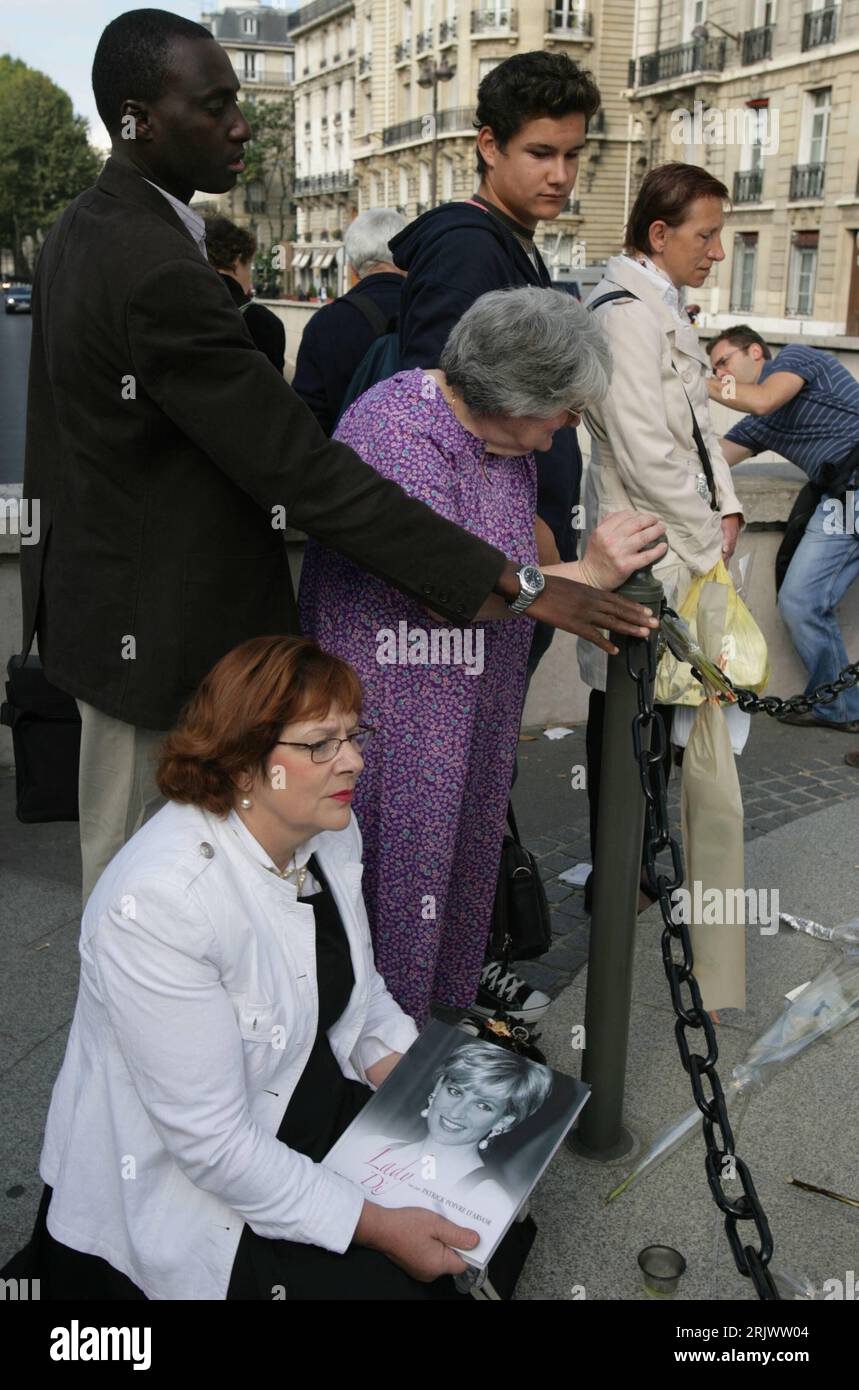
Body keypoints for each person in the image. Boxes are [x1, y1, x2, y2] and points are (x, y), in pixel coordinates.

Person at [19, 9, 658, 907]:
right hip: (160, 646)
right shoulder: (154, 263)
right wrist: (518, 584)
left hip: (108, 619)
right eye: (213, 106)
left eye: (239, 101)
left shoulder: (86, 226)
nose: (242, 126)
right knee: (153, 913)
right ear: (139, 117)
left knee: (156, 902)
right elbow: (301, 470)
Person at [4, 635, 486, 1301]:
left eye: (352, 735)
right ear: (241, 762)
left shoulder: (328, 829)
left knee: (481, 1216)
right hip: (194, 1178)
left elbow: (363, 1002)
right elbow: (214, 1147)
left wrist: (434, 1103)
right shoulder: (162, 903)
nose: (352, 761)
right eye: (320, 743)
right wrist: (375, 1225)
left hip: (295, 1100)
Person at [299, 286, 668, 1025]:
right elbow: (443, 587)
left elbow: (518, 547)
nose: (569, 424)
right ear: (514, 392)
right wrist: (584, 578)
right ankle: (380, 1061)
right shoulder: (399, 429)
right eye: (563, 406)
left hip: (467, 697)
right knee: (398, 881)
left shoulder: (501, 436)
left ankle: (433, 1025)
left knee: (458, 871)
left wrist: (573, 573)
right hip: (396, 705)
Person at [390, 50, 601, 696]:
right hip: (485, 580)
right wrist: (537, 558)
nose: (560, 175)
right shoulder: (468, 250)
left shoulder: (509, 245)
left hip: (507, 572)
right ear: (488, 145)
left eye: (572, 155)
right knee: (456, 772)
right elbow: (437, 420)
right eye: (540, 153)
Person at [577, 163, 745, 916]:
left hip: (673, 546)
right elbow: (648, 451)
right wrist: (708, 541)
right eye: (705, 235)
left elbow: (702, 434)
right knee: (629, 712)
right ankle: (620, 871)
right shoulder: (623, 313)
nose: (714, 251)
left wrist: (729, 506)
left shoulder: (660, 308)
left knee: (660, 716)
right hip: (646, 552)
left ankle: (640, 861)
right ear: (658, 234)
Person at [707, 325, 859, 735]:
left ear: (755, 351)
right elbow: (711, 460)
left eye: (723, 363)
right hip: (841, 500)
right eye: (712, 368)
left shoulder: (796, 358)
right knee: (800, 600)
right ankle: (841, 704)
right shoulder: (761, 426)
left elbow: (762, 399)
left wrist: (690, 380)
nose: (720, 374)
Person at [292, 208, 407, 434]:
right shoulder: (431, 311)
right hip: (421, 464)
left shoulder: (326, 323)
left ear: (352, 267)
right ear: (406, 258)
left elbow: (308, 416)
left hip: (348, 462)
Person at [204, 214, 286, 372]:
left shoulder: (180, 301)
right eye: (248, 267)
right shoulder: (263, 322)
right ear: (237, 260)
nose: (249, 284)